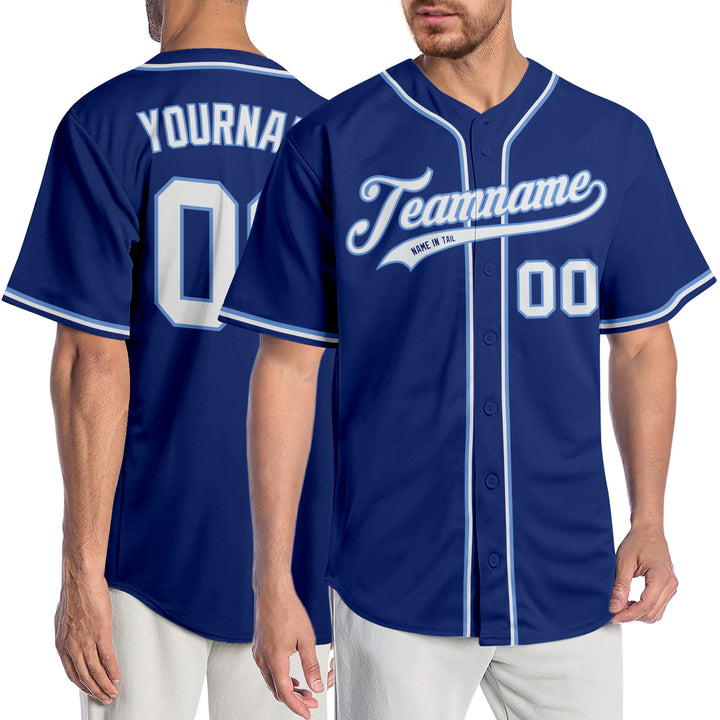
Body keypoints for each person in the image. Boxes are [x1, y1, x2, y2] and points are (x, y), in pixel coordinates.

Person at [219, 1, 715, 718]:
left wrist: (650, 517)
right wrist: (273, 581)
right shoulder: (331, 141)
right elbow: (286, 367)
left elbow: (641, 344)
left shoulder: (610, 140)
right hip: (394, 578)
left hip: (568, 577)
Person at [3, 1, 333, 718]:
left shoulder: (104, 122)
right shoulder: (329, 131)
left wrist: (80, 570)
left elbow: (91, 364)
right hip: (300, 555)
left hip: (145, 549)